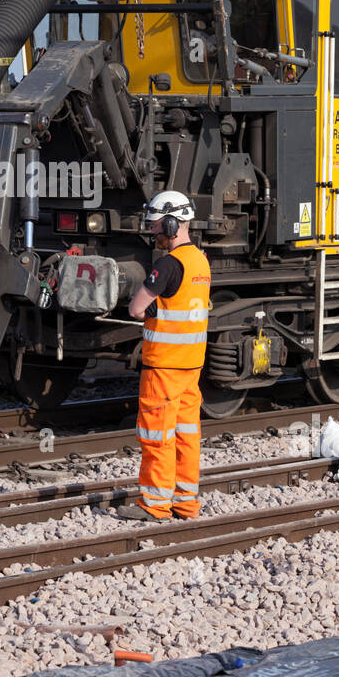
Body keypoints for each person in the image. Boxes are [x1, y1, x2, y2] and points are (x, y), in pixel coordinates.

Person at [116, 191, 210, 523]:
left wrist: (148, 308)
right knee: (187, 435)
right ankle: (186, 503)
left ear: (171, 223)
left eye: (156, 227)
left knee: (157, 435)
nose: (153, 233)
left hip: (163, 366)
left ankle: (154, 505)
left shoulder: (168, 265)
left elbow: (136, 308)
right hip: (191, 365)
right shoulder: (200, 260)